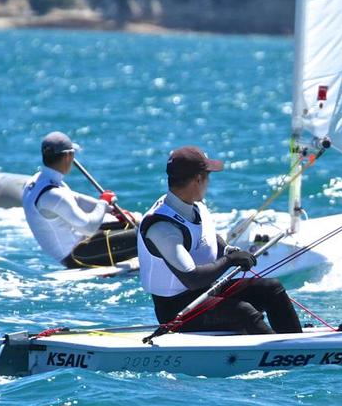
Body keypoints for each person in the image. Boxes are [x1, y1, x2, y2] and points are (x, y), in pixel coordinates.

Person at [137, 146, 303, 335]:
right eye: (208, 176)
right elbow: (192, 278)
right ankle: (283, 356)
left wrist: (227, 251)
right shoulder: (162, 227)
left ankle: (298, 345)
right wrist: (230, 261)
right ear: (198, 179)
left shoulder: (191, 204)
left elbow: (206, 236)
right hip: (177, 311)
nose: (209, 182)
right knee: (244, 312)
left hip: (206, 292)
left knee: (272, 289)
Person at [23, 131, 138, 269]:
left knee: (136, 221)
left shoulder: (38, 180)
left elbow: (75, 198)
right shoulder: (54, 195)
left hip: (83, 243)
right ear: (68, 156)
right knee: (146, 235)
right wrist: (103, 203)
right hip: (78, 256)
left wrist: (111, 209)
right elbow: (88, 228)